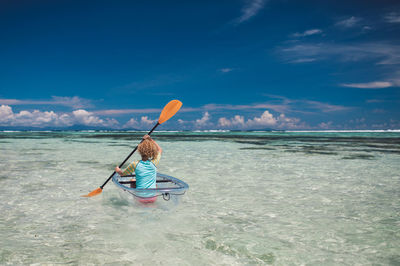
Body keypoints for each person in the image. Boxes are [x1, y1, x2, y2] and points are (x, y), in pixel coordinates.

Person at [115, 134, 162, 203]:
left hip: (139, 197)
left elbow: (122, 174)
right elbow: (160, 150)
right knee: (155, 185)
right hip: (153, 197)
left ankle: (135, 199)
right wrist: (150, 139)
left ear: (139, 150)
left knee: (133, 180)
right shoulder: (154, 162)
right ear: (152, 151)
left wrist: (117, 170)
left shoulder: (135, 164)